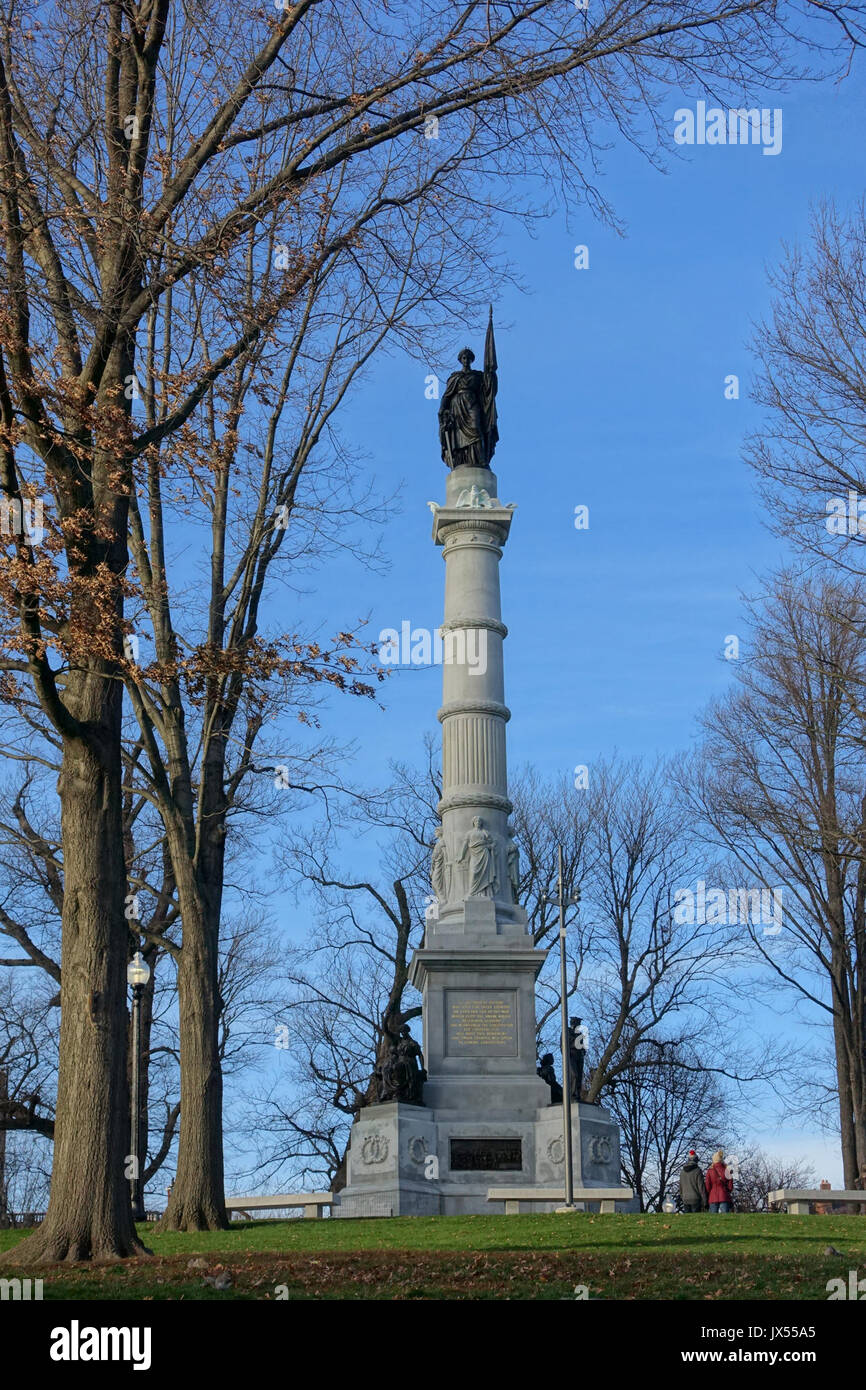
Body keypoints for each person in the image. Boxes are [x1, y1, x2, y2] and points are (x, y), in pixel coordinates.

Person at [705, 1149, 733, 1213]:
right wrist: (727, 1191)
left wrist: (710, 1192)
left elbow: (707, 1185)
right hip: (724, 1195)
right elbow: (730, 1185)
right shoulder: (727, 1170)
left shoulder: (710, 1171)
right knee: (725, 1218)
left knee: (712, 1218)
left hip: (713, 1196)